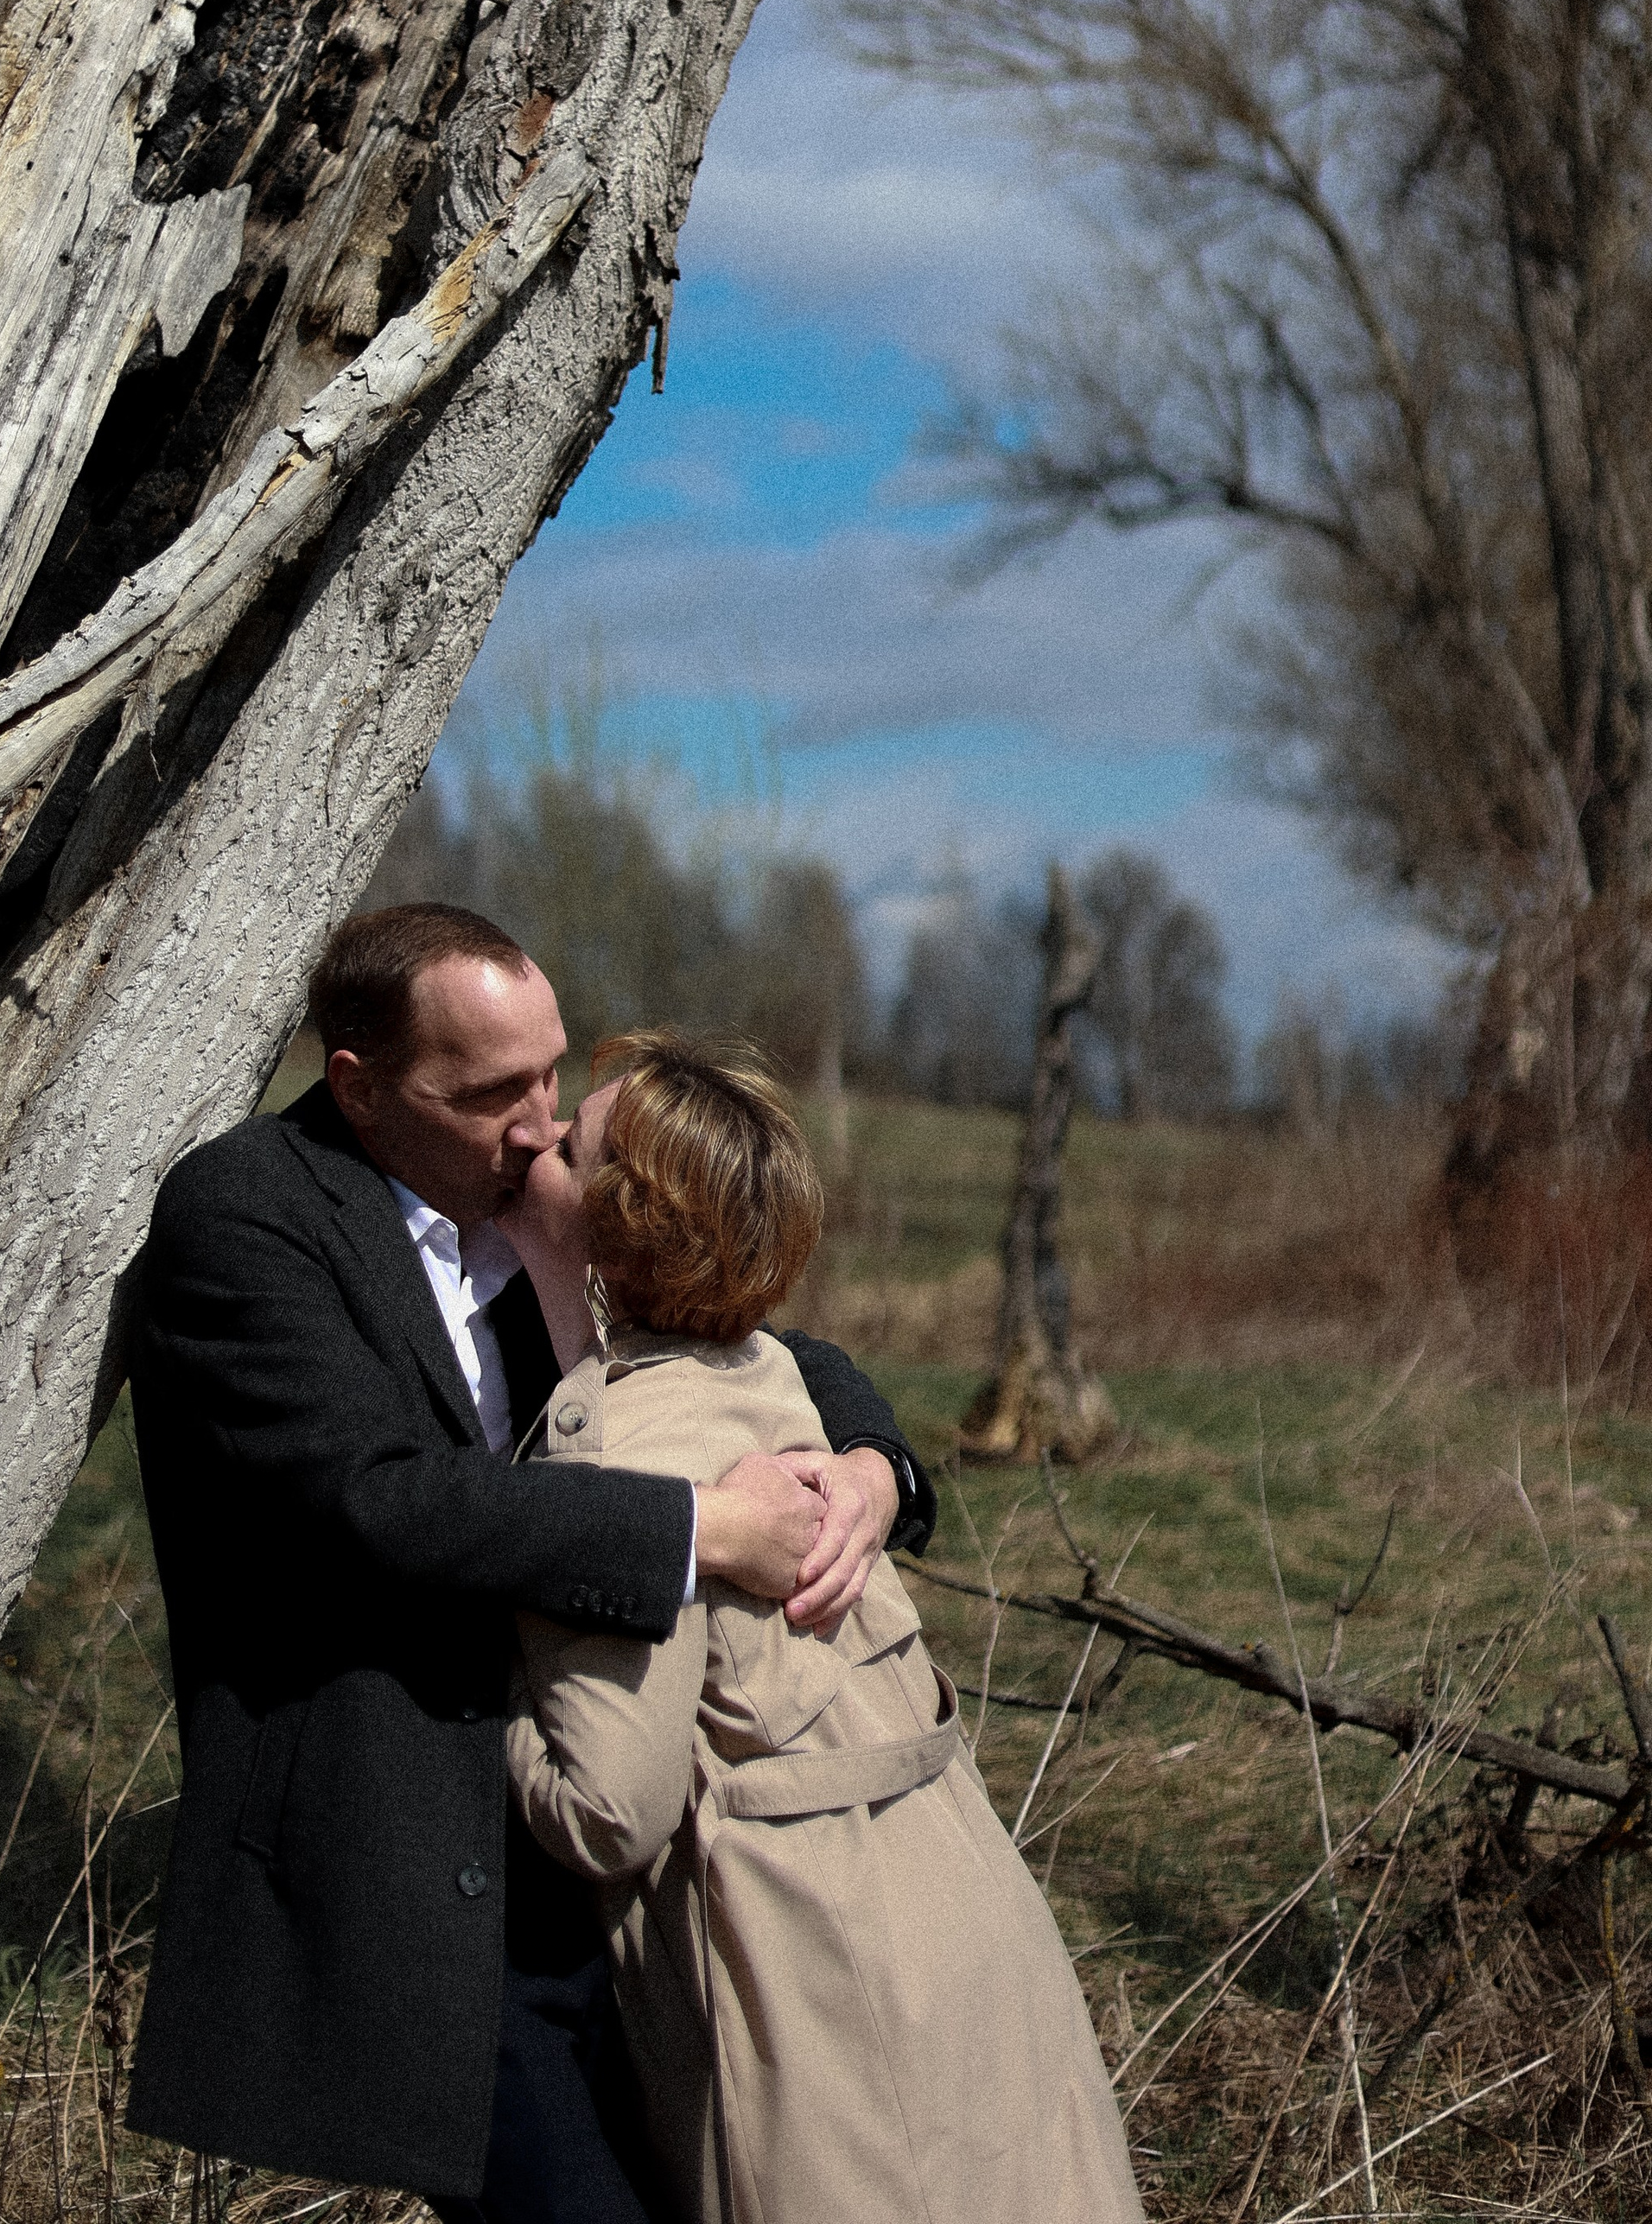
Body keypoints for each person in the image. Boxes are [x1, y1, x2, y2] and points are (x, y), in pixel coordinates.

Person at [125, 904, 936, 2221]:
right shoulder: (250, 1217)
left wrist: (869, 1467)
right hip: (415, 1854)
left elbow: (757, 1339)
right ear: (360, 1087)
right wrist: (700, 1530)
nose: (540, 1119)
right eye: (491, 1090)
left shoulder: (535, 1199)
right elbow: (378, 1502)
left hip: (621, 1834)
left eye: (551, 1072)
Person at [503, 1030, 1147, 2224]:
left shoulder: (618, 1450)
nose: (534, 1138)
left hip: (815, 1986)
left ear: (613, 1221)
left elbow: (607, 1809)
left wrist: (474, 1702)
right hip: (973, 1924)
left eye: (570, 1143)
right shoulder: (769, 1377)